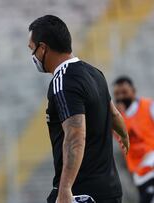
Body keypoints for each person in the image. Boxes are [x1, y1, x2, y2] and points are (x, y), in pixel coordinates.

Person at [27, 15, 129, 203]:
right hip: (111, 191)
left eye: (32, 49)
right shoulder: (95, 73)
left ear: (43, 48)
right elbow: (114, 113)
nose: (32, 56)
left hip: (81, 192)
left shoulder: (62, 81)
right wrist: (124, 135)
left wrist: (65, 189)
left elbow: (75, 137)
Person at [113, 76, 154, 203]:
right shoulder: (115, 117)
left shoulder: (149, 107)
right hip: (137, 172)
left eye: (124, 92)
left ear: (133, 91)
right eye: (117, 94)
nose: (121, 97)